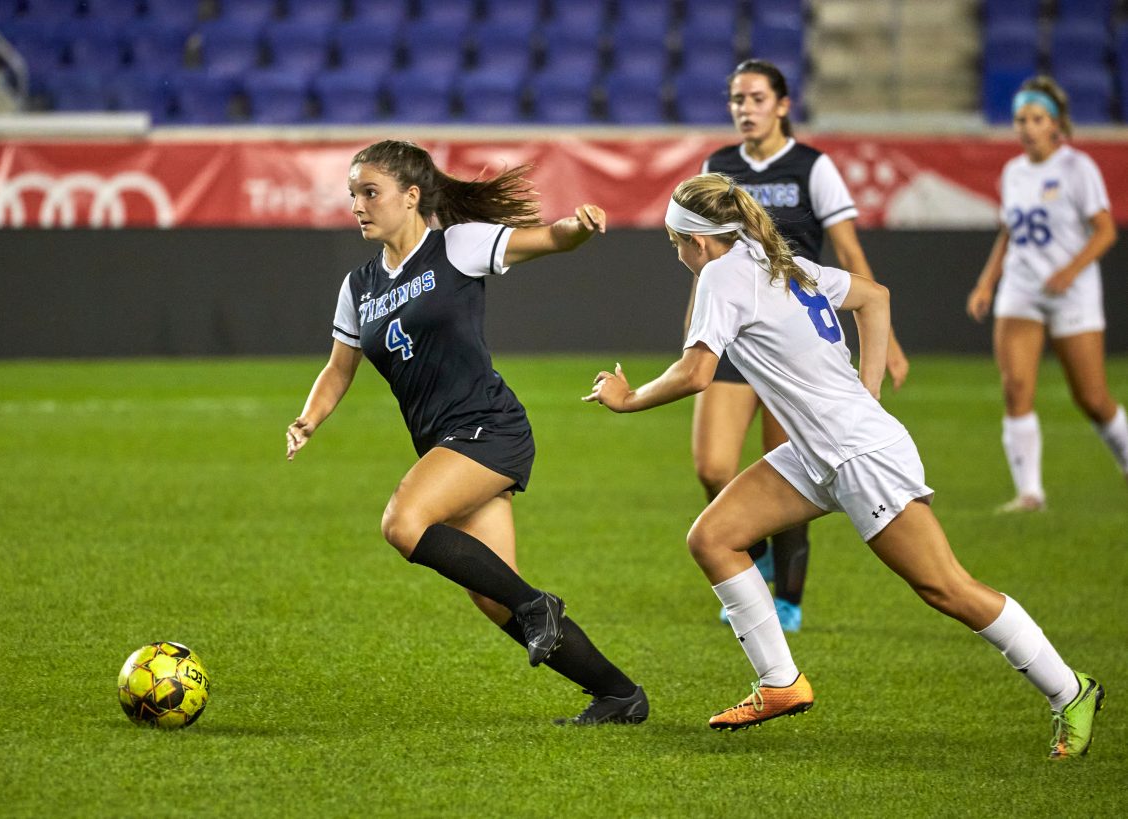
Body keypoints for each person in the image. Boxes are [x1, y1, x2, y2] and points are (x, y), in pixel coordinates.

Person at [583, 171, 1103, 758]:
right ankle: (780, 682)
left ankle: (1070, 689)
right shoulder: (771, 257)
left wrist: (627, 400)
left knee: (946, 587)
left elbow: (697, 373)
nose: (676, 252)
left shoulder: (722, 274)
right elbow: (874, 297)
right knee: (714, 538)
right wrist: (868, 391)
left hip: (859, 456)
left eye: (674, 241)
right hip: (821, 450)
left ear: (697, 241)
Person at [287, 140, 647, 726]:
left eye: (370, 192)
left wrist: (578, 227)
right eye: (353, 193)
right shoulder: (359, 287)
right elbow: (339, 366)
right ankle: (618, 694)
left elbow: (550, 239)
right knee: (492, 596)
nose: (357, 204)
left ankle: (540, 606)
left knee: (402, 524)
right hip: (447, 444)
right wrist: (309, 418)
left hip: (489, 427)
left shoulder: (457, 245)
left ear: (410, 197)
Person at [691, 59, 910, 631]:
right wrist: (695, 333)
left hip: (795, 345)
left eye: (757, 98)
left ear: (783, 105)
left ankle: (787, 597)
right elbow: (703, 267)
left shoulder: (813, 167)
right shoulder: (719, 168)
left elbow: (850, 256)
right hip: (735, 341)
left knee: (791, 468)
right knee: (713, 465)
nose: (745, 108)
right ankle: (750, 545)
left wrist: (889, 345)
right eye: (737, 98)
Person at [966, 76, 1127, 510]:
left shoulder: (1078, 168)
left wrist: (1070, 270)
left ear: (1055, 123)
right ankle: (1030, 493)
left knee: (1092, 398)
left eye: (1037, 118)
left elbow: (1105, 229)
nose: (1027, 126)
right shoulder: (1014, 172)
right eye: (1021, 119)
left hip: (1072, 293)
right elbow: (1009, 233)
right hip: (1022, 287)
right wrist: (987, 281)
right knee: (1016, 386)